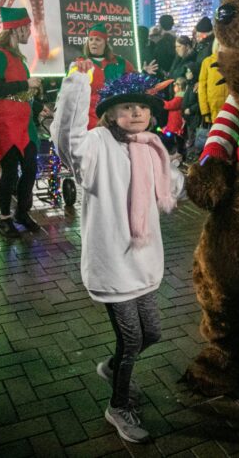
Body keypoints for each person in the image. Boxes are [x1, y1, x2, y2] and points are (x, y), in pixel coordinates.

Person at [51, 68, 185, 444]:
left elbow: (172, 188)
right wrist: (77, 87)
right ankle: (118, 406)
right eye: (126, 107)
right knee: (130, 341)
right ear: (109, 113)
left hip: (143, 261)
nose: (136, 113)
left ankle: (112, 369)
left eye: (141, 107)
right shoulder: (94, 145)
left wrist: (186, 174)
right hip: (113, 262)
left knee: (152, 333)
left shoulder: (151, 145)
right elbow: (66, 139)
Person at [0, 7, 42, 237]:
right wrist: (27, 84)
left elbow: (21, 92)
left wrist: (38, 105)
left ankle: (22, 213)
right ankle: (4, 219)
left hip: (24, 122)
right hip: (4, 122)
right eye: (27, 28)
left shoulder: (17, 56)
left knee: (29, 167)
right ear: (17, 30)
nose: (30, 32)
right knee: (10, 171)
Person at [76, 23, 157, 130]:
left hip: (114, 118)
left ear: (105, 43)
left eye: (97, 39)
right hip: (87, 119)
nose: (93, 43)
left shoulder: (120, 62)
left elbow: (134, 82)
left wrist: (144, 73)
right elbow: (68, 90)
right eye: (91, 39)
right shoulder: (81, 63)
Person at [197, 38, 228, 124]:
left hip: (232, 108)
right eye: (221, 44)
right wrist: (205, 111)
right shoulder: (207, 62)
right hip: (214, 110)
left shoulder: (235, 62)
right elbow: (202, 88)